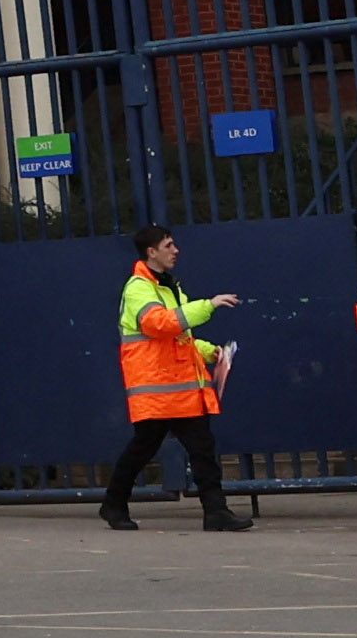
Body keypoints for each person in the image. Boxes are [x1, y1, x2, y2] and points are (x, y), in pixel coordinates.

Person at [100, 220, 248, 532]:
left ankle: (216, 511)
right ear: (151, 252)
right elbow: (160, 324)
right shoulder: (139, 288)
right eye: (168, 245)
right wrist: (209, 305)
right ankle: (113, 504)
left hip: (179, 389)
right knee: (142, 449)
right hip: (156, 390)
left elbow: (180, 336)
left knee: (202, 449)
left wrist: (210, 352)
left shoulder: (169, 286)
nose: (176, 250)